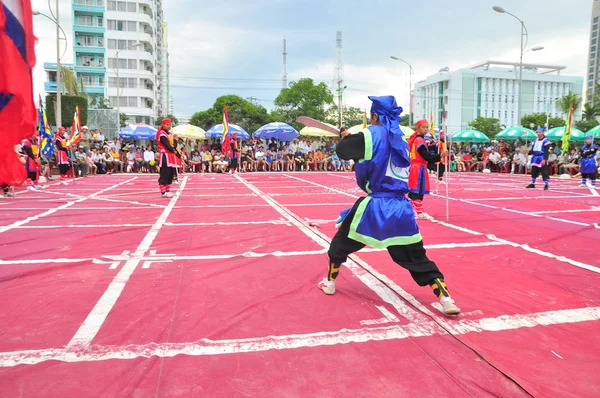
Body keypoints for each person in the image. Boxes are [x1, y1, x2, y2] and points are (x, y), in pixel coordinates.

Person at [317, 96, 460, 316]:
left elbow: (343, 152)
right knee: (416, 257)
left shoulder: (369, 134)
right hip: (401, 208)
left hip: (375, 206)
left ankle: (329, 282)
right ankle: (446, 298)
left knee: (340, 245)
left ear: (374, 116)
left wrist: (345, 137)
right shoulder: (401, 141)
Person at [407, 120, 447, 219]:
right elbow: (426, 155)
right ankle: (419, 212)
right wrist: (440, 155)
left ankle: (413, 211)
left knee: (414, 189)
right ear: (418, 128)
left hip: (415, 166)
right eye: (423, 127)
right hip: (418, 167)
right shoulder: (419, 140)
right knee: (418, 190)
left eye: (427, 127)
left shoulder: (416, 139)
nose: (426, 129)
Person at [156, 118, 180, 197]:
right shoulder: (162, 134)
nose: (169, 126)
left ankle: (167, 190)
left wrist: (175, 141)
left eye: (170, 125)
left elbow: (174, 145)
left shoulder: (170, 134)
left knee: (170, 173)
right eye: (167, 125)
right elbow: (167, 145)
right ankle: (163, 191)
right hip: (165, 156)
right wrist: (173, 150)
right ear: (163, 125)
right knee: (165, 172)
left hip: (171, 156)